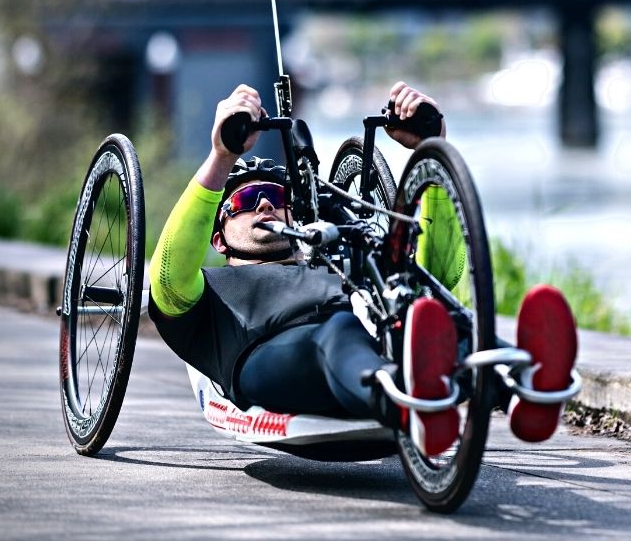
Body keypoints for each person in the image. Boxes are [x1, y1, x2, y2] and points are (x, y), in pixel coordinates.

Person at [148, 81, 578, 455]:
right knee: (338, 330)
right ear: (217, 237)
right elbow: (167, 274)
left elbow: (437, 279)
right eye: (244, 200)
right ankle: (410, 399)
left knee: (426, 310)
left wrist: (434, 149)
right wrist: (222, 158)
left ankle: (525, 384)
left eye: (280, 198)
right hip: (270, 359)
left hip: (372, 345)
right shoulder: (207, 291)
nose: (265, 203)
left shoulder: (338, 265)